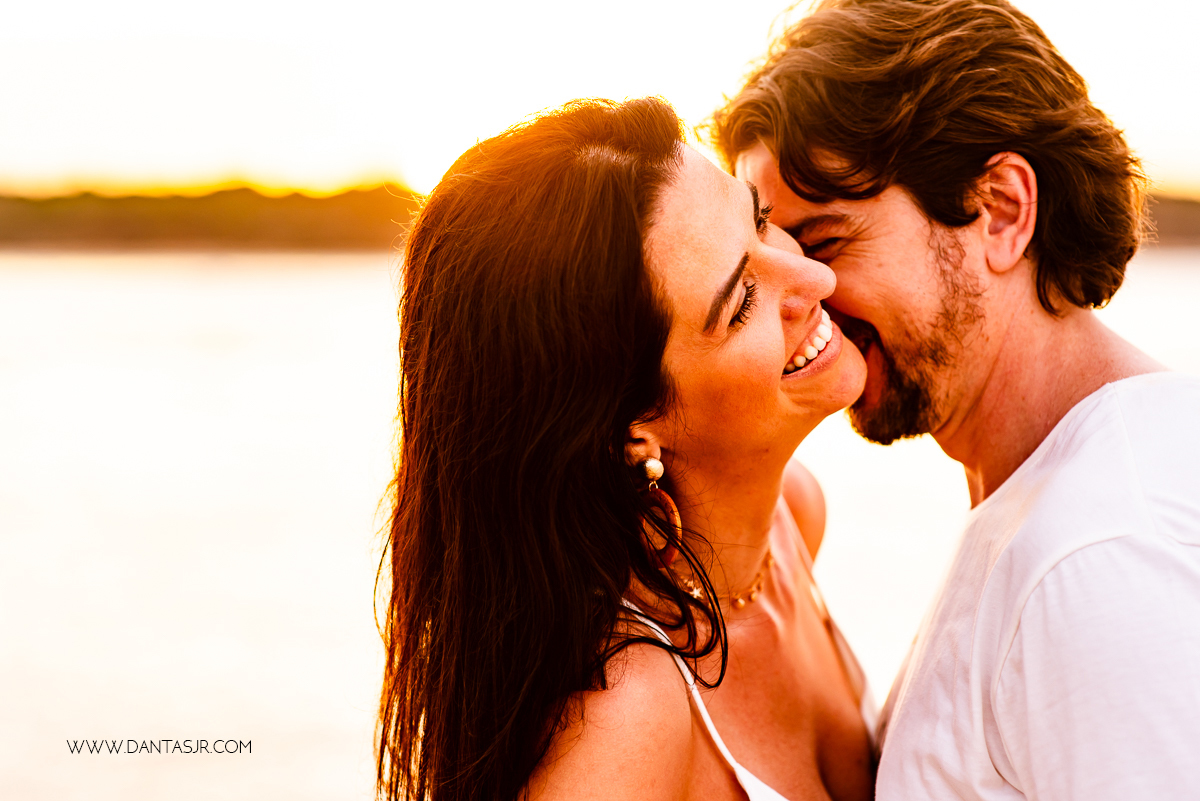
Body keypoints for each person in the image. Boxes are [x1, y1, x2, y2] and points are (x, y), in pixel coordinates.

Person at [711, 0, 1200, 799]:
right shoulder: (1058, 493)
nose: (803, 298)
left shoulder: (1101, 561)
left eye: (827, 243)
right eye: (776, 256)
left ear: (1001, 211)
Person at [376, 97, 876, 801]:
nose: (814, 280)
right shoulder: (624, 713)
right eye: (740, 302)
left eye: (760, 220)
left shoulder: (794, 519)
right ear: (630, 425)